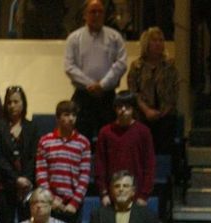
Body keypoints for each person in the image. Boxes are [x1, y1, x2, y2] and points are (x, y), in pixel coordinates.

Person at [63, 0, 127, 143]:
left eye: (100, 12)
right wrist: (91, 84)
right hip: (83, 97)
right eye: (93, 12)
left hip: (107, 98)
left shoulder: (115, 37)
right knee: (79, 140)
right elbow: (69, 66)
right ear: (85, 15)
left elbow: (121, 64)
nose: (97, 15)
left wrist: (102, 85)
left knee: (110, 141)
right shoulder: (74, 38)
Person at [0, 85, 37, 223]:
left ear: (23, 103)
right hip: (5, 184)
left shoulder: (31, 127)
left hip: (27, 185)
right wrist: (16, 179)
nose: (12, 106)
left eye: (16, 102)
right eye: (9, 102)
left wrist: (25, 179)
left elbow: (33, 156)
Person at [35, 100, 91, 223]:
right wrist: (51, 199)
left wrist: (74, 202)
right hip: (51, 204)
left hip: (73, 206)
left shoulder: (83, 143)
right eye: (66, 115)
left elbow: (84, 176)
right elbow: (41, 174)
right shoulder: (45, 141)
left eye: (74, 115)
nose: (71, 119)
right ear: (57, 118)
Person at [95, 92, 156, 206]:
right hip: (111, 195)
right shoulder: (105, 132)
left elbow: (149, 164)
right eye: (119, 106)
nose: (123, 110)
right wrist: (103, 193)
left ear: (133, 109)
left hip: (137, 196)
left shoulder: (143, 132)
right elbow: (100, 164)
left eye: (127, 107)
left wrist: (144, 195)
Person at [127, 27, 179, 156]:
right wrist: (146, 110)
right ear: (147, 43)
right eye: (154, 40)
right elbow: (133, 91)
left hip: (166, 115)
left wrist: (163, 112)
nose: (158, 43)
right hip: (142, 115)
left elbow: (175, 90)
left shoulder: (170, 65)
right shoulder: (136, 66)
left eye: (161, 40)